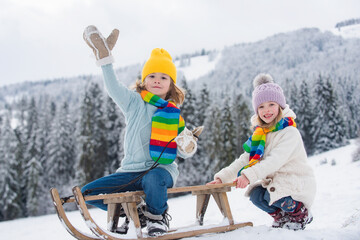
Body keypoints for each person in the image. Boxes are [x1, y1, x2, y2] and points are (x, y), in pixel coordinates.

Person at [81, 25, 203, 236]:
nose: (157, 80)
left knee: (153, 178)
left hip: (161, 172)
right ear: (144, 81)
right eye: (152, 76)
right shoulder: (134, 103)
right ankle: (133, 212)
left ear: (171, 85)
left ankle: (157, 218)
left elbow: (183, 152)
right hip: (130, 171)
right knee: (88, 192)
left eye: (164, 77)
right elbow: (113, 87)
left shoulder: (174, 115)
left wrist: (188, 143)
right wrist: (105, 61)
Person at [208, 73, 316, 230]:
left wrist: (248, 175)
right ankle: (282, 216)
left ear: (280, 105)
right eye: (261, 107)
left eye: (271, 104)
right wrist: (222, 178)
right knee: (257, 196)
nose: (267, 110)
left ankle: (301, 214)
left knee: (273, 195)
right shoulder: (261, 134)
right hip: (278, 184)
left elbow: (274, 161)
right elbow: (245, 159)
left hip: (296, 183)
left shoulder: (289, 132)